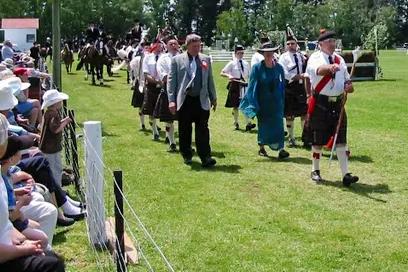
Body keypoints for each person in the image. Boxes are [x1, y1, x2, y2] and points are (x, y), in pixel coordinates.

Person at [0, 114, 65, 272]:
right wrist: (25, 248)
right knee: (51, 265)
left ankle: (65, 205)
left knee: (52, 258)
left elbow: (5, 224)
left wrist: (22, 239)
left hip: (9, 244)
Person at [305, 29, 359, 186]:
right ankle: (315, 170)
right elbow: (318, 70)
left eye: (333, 41)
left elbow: (347, 82)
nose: (332, 44)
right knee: (318, 140)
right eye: (329, 41)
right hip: (321, 104)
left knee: (341, 139)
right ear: (321, 44)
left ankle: (346, 174)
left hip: (338, 104)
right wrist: (329, 68)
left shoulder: (340, 60)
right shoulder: (315, 58)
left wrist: (349, 87)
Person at [167, 34, 217, 167]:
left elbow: (209, 79)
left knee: (203, 129)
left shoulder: (205, 59)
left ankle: (205, 157)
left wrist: (213, 97)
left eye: (199, 46)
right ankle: (187, 154)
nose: (197, 48)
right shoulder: (177, 60)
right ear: (187, 46)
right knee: (185, 129)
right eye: (194, 46)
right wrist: (171, 100)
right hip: (185, 100)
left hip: (201, 99)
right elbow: (171, 82)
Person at [240, 42, 290, 159]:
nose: (269, 54)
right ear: (262, 53)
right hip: (263, 101)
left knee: (278, 124)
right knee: (264, 125)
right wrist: (253, 103)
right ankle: (261, 146)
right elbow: (252, 86)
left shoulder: (279, 68)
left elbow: (282, 85)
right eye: (266, 52)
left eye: (271, 52)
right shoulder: (257, 68)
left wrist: (282, 99)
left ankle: (281, 149)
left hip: (277, 101)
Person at [278, 34, 308, 147]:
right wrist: (297, 76)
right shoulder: (283, 57)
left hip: (300, 88)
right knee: (289, 115)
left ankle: (305, 137)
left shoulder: (301, 56)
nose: (290, 46)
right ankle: (291, 138)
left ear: (296, 44)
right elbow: (283, 72)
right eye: (288, 44)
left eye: (292, 43)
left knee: (304, 114)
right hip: (289, 87)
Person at [39, 90, 71, 188]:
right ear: (56, 103)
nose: (61, 103)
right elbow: (55, 129)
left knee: (56, 168)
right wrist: (65, 123)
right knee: (55, 170)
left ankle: (57, 189)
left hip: (47, 147)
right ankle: (57, 190)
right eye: (60, 101)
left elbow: (53, 126)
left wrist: (64, 120)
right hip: (51, 148)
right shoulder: (53, 114)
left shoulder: (48, 113)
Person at [220, 45, 255, 131]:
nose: (241, 55)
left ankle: (248, 123)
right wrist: (229, 75)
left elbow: (250, 75)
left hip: (244, 85)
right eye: (239, 53)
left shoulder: (246, 63)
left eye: (242, 53)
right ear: (235, 54)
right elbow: (222, 72)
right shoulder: (232, 63)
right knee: (235, 105)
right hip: (235, 85)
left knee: (246, 104)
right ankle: (236, 123)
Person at [155, 38, 180, 152]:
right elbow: (164, 77)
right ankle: (172, 142)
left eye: (175, 43)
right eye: (171, 44)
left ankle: (185, 143)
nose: (173, 45)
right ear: (167, 47)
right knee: (169, 119)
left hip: (182, 91)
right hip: (169, 90)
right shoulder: (163, 59)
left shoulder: (184, 57)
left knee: (184, 119)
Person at [142, 42, 164, 140]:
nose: (160, 47)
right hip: (151, 86)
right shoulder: (147, 57)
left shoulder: (164, 57)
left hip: (163, 86)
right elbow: (146, 74)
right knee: (151, 110)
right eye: (158, 45)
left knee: (165, 110)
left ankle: (169, 136)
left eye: (161, 46)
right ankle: (154, 131)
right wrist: (156, 81)